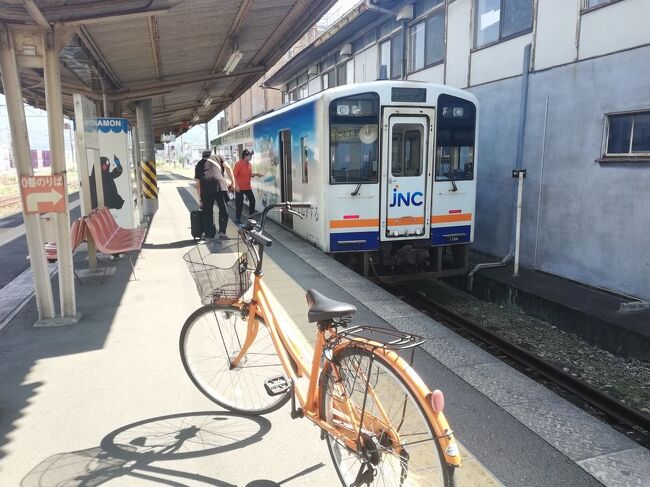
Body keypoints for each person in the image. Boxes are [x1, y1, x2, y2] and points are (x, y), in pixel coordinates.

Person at [194, 151, 235, 239]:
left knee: (207, 212)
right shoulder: (218, 157)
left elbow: (197, 184)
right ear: (212, 154)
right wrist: (233, 183)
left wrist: (200, 200)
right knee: (223, 209)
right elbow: (228, 167)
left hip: (206, 188)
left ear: (202, 156)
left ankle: (209, 234)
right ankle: (222, 232)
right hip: (219, 185)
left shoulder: (199, 164)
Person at [233, 149, 263, 223]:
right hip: (239, 188)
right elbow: (235, 175)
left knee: (252, 201)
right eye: (250, 156)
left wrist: (256, 174)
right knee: (239, 204)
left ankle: (250, 217)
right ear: (245, 156)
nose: (251, 157)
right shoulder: (238, 164)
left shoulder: (249, 164)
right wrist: (236, 186)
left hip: (247, 187)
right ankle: (237, 219)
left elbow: (250, 174)